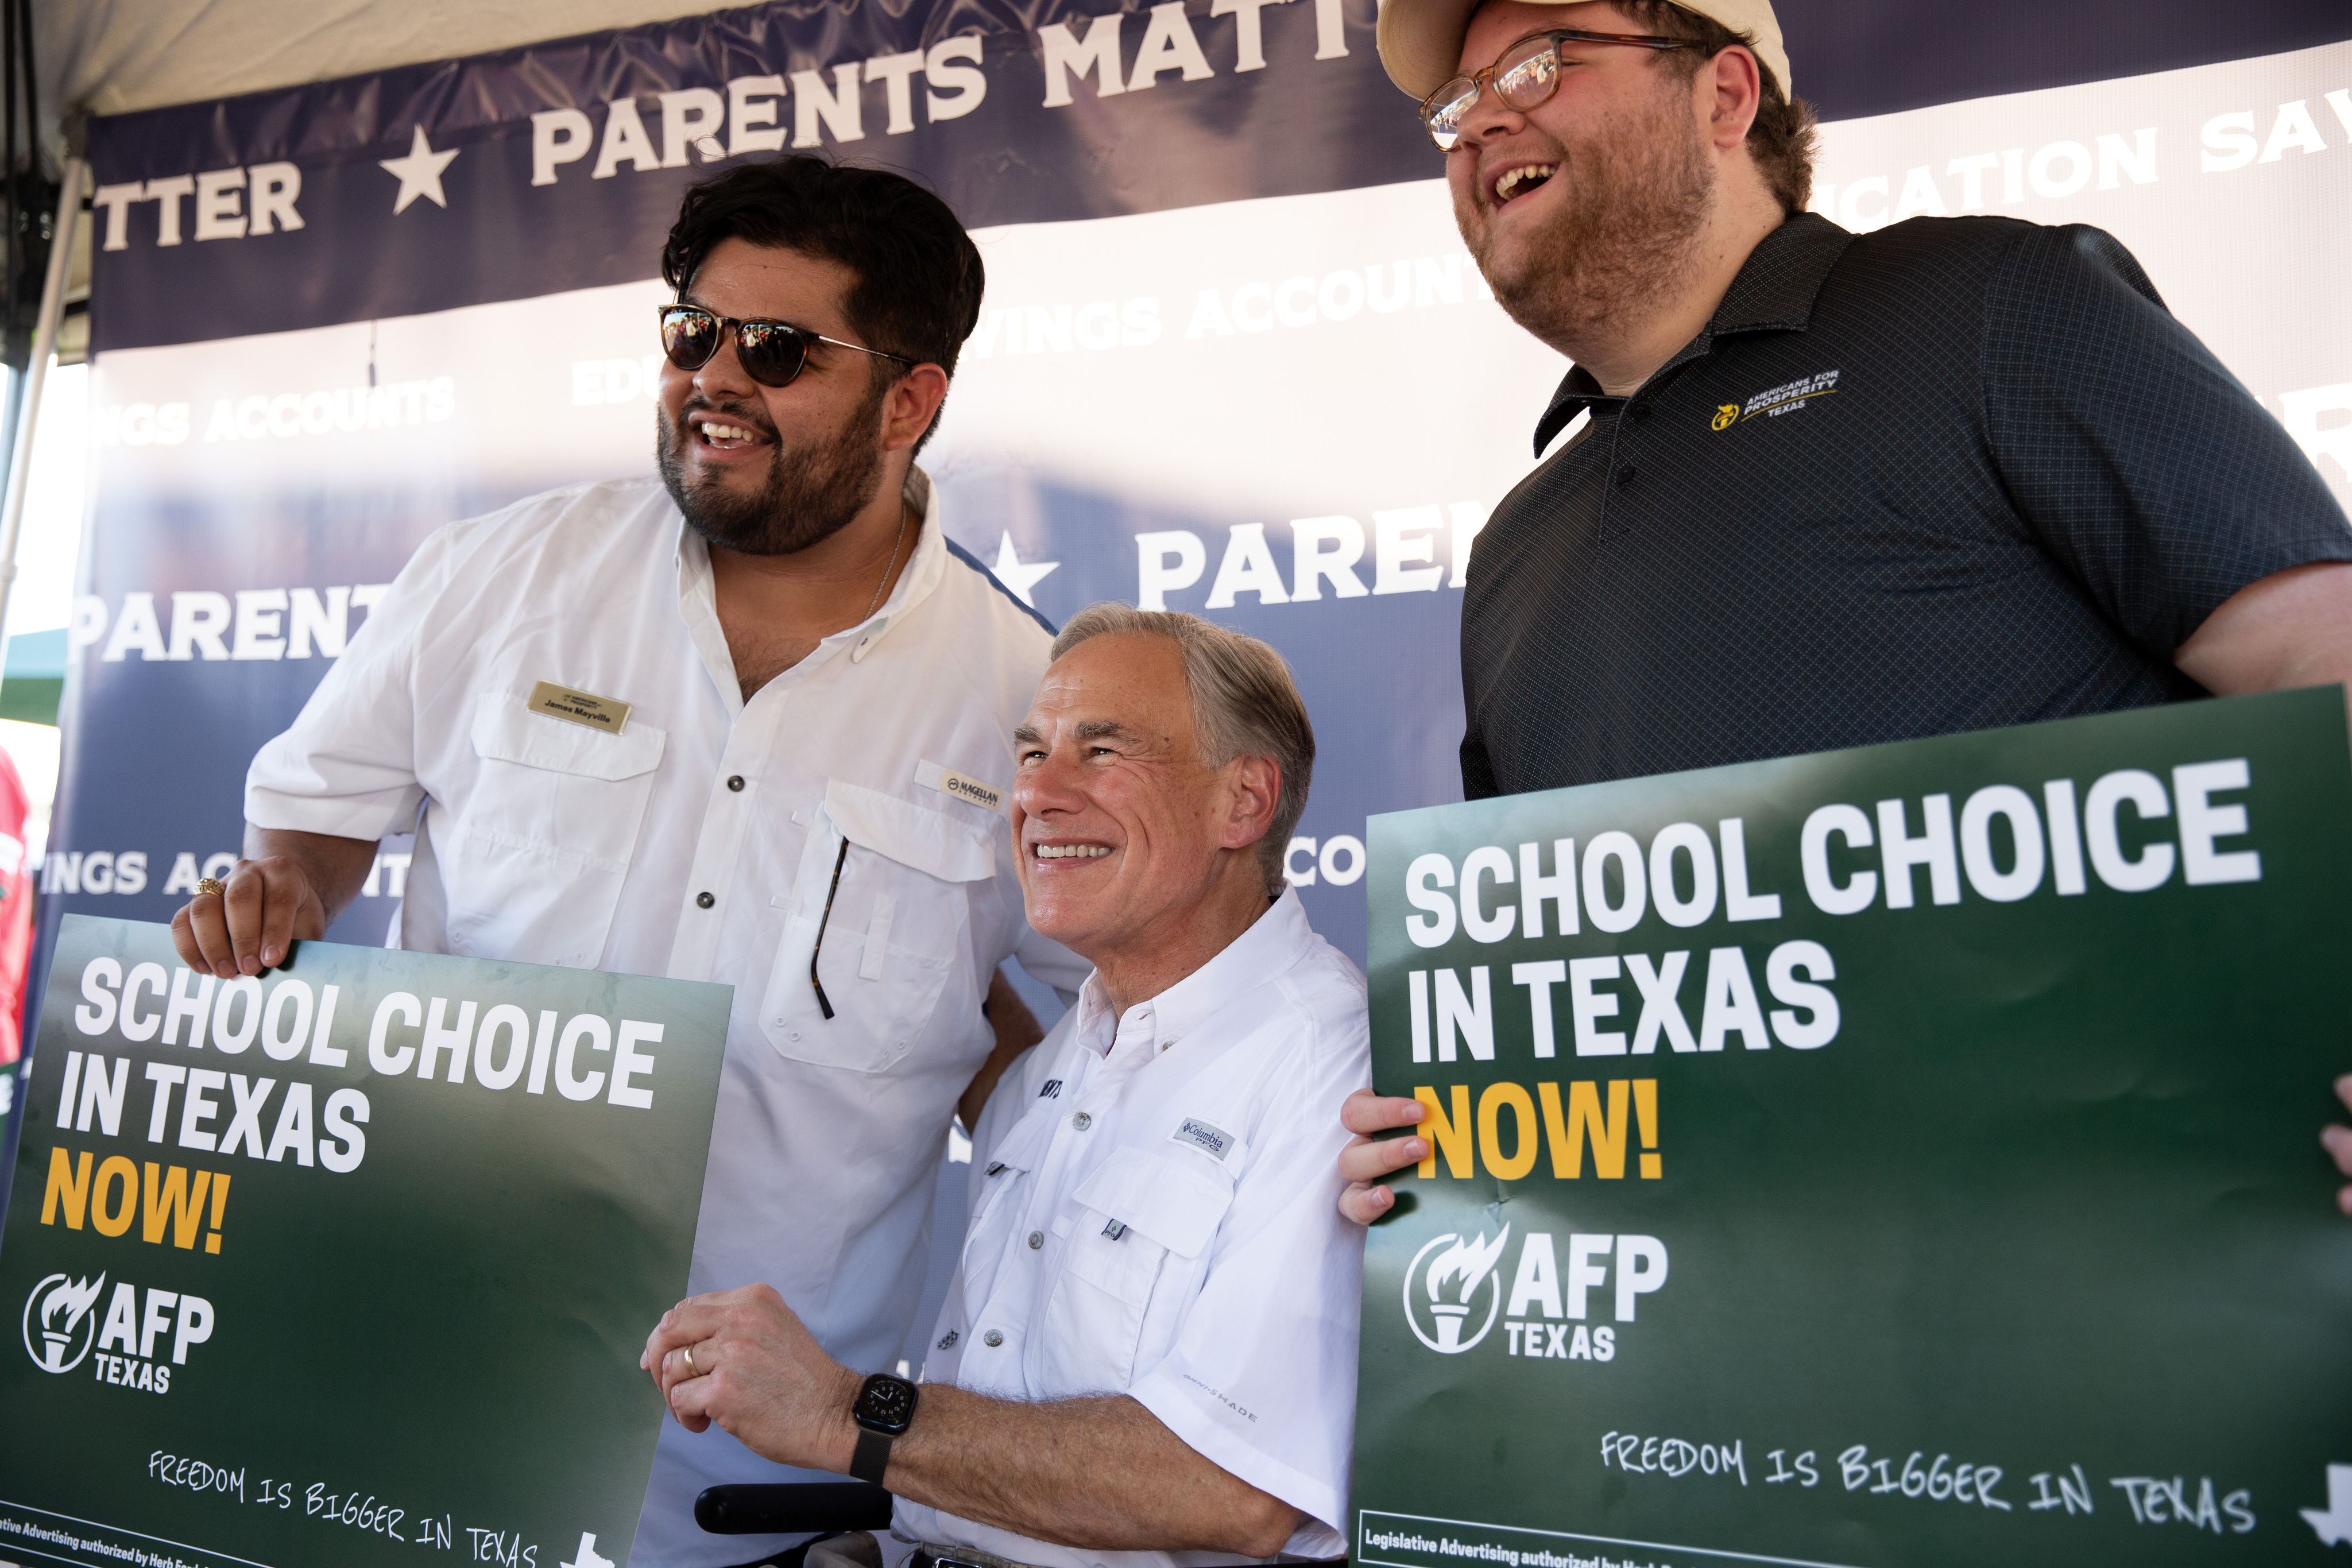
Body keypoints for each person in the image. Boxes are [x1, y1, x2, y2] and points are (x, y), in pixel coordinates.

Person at [165, 155, 1091, 1568]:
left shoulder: (1022, 691)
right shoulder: (499, 574)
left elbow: (1081, 1018)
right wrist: (286, 887)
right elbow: (319, 809)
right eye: (690, 333)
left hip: (758, 1491)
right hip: (432, 1417)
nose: (713, 377)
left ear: (910, 402)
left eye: (776, 350)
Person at [1338, 0, 2352, 1217]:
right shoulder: (1511, 546)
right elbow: (1548, 987)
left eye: (1539, 61)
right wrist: (1452, 1177)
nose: (1478, 121)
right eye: (1453, 104)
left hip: (2128, 1294)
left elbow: (2319, 660)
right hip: (1721, 1352)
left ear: (1722, 95)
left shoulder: (1987, 302)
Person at [642, 605, 1368, 1568]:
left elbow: (1233, 1485)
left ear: (1243, 802)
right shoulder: (1057, 1061)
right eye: (1031, 755)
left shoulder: (1332, 1061)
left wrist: (843, 1413)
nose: (1038, 795)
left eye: (1101, 751)